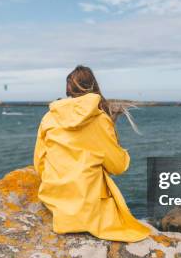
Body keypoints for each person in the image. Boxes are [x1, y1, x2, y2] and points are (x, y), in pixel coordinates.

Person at [33, 65, 150, 242]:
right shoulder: (100, 119)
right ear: (93, 86)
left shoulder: (49, 117)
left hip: (55, 201)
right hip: (88, 208)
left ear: (68, 89)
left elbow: (39, 162)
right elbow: (118, 166)